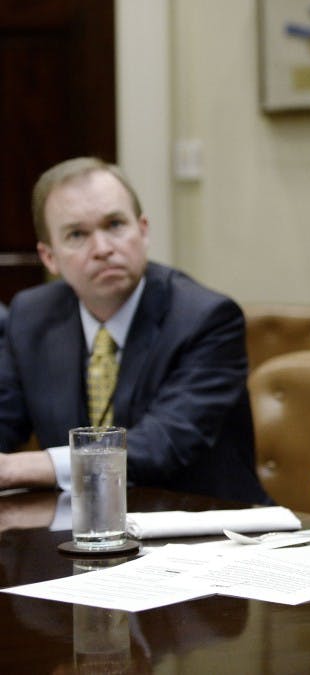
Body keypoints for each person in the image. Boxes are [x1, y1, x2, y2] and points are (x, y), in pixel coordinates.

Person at [0, 157, 268, 504]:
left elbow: (161, 445)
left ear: (143, 230)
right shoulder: (30, 316)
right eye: (77, 234)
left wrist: (18, 469)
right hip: (79, 534)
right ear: (49, 257)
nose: (103, 249)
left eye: (114, 224)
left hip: (204, 532)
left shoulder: (207, 318)